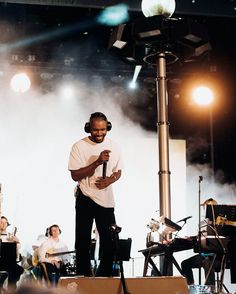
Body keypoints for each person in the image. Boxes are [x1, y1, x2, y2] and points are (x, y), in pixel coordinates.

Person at [68, 112, 122, 277]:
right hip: (85, 197)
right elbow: (75, 175)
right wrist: (97, 162)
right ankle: (84, 278)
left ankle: (102, 278)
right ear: (88, 128)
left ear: (108, 127)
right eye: (95, 130)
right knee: (82, 242)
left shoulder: (114, 145)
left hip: (105, 200)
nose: (99, 133)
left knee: (110, 243)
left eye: (103, 129)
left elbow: (118, 171)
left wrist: (110, 180)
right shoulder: (79, 146)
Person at [0, 216, 24, 288]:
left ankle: (11, 288)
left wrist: (17, 241)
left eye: (5, 223)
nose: (4, 224)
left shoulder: (11, 235)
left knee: (19, 269)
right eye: (1, 222)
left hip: (9, 261)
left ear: (7, 224)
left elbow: (18, 249)